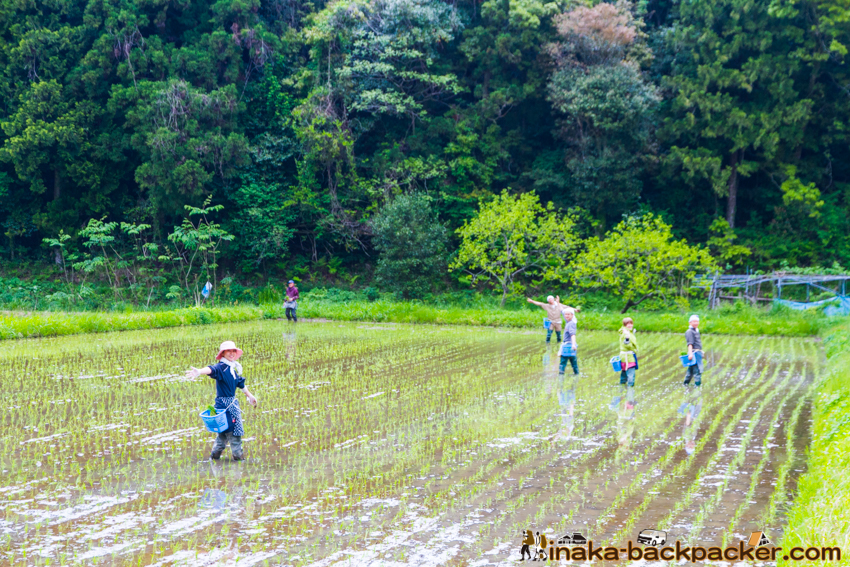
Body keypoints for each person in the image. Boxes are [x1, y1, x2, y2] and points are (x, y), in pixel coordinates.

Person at [186, 340, 259, 461]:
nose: (231, 353)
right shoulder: (221, 367)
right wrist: (199, 371)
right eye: (228, 351)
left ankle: (214, 459)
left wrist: (249, 396)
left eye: (233, 351)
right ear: (223, 353)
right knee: (234, 435)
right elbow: (211, 369)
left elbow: (239, 383)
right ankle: (239, 460)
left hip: (227, 406)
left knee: (223, 434)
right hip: (225, 407)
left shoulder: (232, 369)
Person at [558, 307, 579, 377]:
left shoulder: (571, 324)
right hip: (568, 345)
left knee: (563, 362)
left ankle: (560, 377)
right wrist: (558, 303)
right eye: (565, 314)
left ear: (572, 315)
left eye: (568, 314)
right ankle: (576, 375)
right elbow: (562, 311)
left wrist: (573, 345)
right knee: (573, 362)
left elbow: (573, 334)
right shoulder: (569, 321)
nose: (566, 316)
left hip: (568, 346)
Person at [684, 314, 703, 386]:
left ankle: (685, 385)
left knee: (691, 371)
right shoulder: (690, 331)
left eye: (697, 321)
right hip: (694, 353)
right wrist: (690, 354)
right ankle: (698, 386)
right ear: (690, 323)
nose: (696, 323)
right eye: (694, 321)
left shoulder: (696, 331)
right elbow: (690, 344)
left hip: (697, 353)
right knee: (697, 370)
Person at [618, 317, 638, 386]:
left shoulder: (627, 332)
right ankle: (630, 391)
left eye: (631, 323)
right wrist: (635, 349)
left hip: (624, 357)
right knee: (631, 376)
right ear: (625, 325)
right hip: (628, 358)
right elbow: (627, 345)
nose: (630, 325)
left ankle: (621, 389)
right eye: (628, 324)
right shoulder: (626, 333)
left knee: (623, 375)